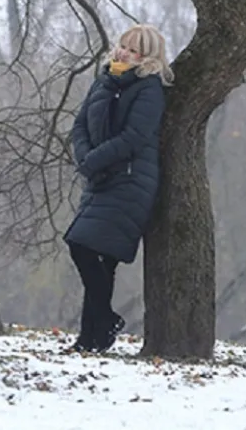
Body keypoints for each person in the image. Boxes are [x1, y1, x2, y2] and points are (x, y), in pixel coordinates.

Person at [64, 24, 172, 353]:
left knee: (82, 245)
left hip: (129, 180)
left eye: (133, 50)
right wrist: (85, 157)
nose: (123, 52)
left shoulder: (149, 88)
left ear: (147, 57)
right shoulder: (105, 79)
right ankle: (92, 337)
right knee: (98, 259)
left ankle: (104, 322)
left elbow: (134, 138)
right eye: (123, 45)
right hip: (101, 177)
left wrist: (94, 160)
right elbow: (80, 125)